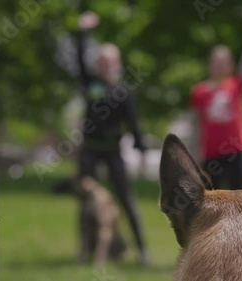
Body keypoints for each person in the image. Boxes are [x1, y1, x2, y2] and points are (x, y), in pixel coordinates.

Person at [75, 11, 149, 265]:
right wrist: (84, 31)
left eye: (110, 61)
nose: (105, 64)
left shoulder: (123, 92)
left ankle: (142, 251)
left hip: (113, 151)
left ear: (117, 63)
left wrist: (142, 150)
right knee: (86, 204)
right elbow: (79, 58)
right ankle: (85, 252)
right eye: (102, 61)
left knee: (126, 200)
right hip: (89, 150)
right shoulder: (90, 84)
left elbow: (134, 124)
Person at [191, 9, 242, 190]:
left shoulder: (236, 85)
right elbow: (196, 125)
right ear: (209, 65)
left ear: (230, 65)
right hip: (211, 153)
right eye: (215, 62)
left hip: (237, 151)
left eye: (223, 62)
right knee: (211, 199)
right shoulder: (199, 91)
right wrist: (194, 154)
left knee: (240, 197)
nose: (218, 66)